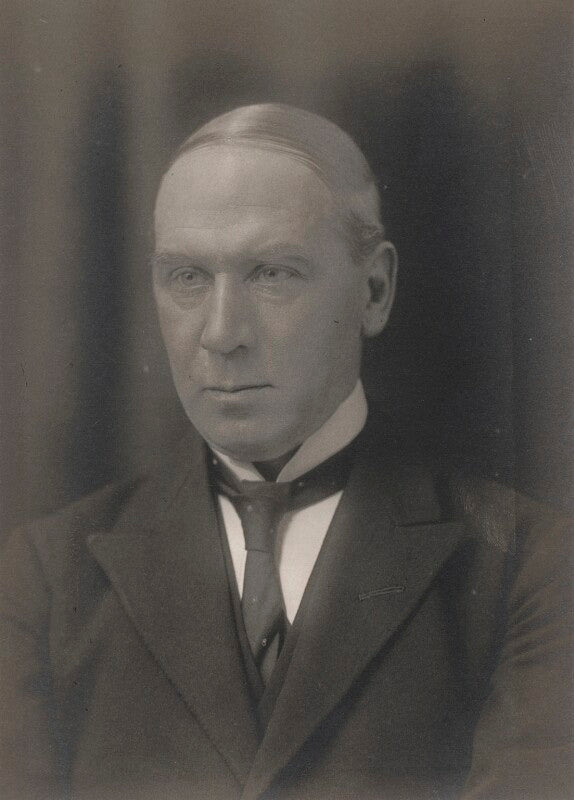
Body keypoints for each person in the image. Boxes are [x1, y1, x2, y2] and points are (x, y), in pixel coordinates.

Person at [0, 104, 571, 800]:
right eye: (187, 277)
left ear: (374, 290)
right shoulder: (45, 579)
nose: (222, 334)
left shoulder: (529, 569)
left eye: (272, 273)